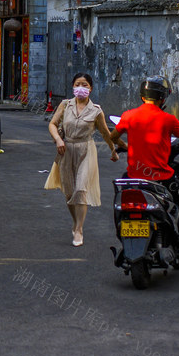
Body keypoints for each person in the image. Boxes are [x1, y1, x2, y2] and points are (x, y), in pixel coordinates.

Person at [109, 75, 179, 236]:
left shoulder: (128, 116)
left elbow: (113, 137)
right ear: (163, 98)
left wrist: (124, 146)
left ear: (142, 96)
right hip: (159, 178)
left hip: (134, 175)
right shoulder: (168, 120)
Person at [48, 73, 120, 247]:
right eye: (78, 84)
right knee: (69, 192)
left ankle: (79, 229)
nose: (81, 87)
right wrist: (58, 139)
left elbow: (105, 132)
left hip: (86, 150)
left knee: (81, 189)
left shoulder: (96, 110)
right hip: (66, 150)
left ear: (91, 88)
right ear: (73, 87)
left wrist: (113, 150)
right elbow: (52, 124)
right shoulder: (65, 105)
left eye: (85, 85)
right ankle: (75, 221)